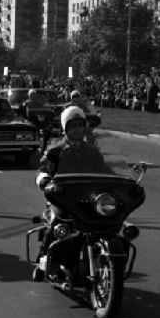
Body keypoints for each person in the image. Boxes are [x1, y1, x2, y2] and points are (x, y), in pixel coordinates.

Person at [33, 106, 111, 281]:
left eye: (80, 125)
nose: (77, 129)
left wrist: (119, 179)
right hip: (62, 198)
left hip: (88, 198)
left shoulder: (92, 151)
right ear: (65, 129)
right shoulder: (55, 150)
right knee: (57, 222)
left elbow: (104, 170)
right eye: (72, 126)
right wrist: (45, 179)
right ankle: (42, 261)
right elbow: (43, 169)